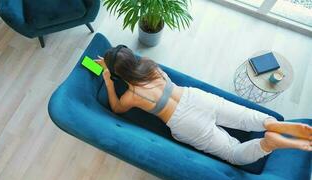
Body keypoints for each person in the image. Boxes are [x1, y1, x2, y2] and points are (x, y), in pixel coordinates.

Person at [95, 45, 312, 165]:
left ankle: (268, 144)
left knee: (233, 152)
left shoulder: (131, 95)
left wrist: (107, 77)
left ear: (118, 73)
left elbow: (116, 108)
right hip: (195, 97)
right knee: (246, 116)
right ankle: (269, 124)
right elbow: (138, 71)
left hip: (184, 122)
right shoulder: (150, 65)